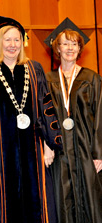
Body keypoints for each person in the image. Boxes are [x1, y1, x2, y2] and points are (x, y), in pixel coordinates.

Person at [0, 16, 62, 223]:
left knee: (36, 201)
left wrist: (50, 144)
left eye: (16, 40)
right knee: (2, 203)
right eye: (7, 40)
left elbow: (46, 107)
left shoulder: (34, 69)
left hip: (32, 147)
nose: (12, 45)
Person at [44, 17, 102, 223]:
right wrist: (47, 145)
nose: (70, 48)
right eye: (65, 43)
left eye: (74, 44)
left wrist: (99, 153)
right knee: (63, 199)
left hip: (86, 149)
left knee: (91, 198)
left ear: (80, 49)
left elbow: (100, 116)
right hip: (59, 150)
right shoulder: (47, 80)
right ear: (57, 48)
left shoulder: (92, 78)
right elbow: (43, 116)